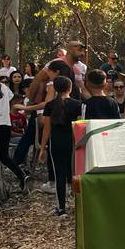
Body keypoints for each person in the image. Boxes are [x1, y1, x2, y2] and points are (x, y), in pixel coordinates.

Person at [39, 75, 83, 217]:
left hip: (56, 142)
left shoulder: (50, 105)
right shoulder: (78, 104)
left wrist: (42, 147)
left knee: (59, 175)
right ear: (70, 87)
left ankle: (61, 208)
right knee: (75, 173)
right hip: (73, 142)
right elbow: (78, 126)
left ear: (55, 89)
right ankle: (78, 205)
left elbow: (46, 128)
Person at [0, 74, 27, 192]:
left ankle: (21, 175)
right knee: (3, 155)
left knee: (2, 156)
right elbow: (10, 98)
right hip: (6, 123)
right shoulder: (4, 87)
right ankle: (21, 175)